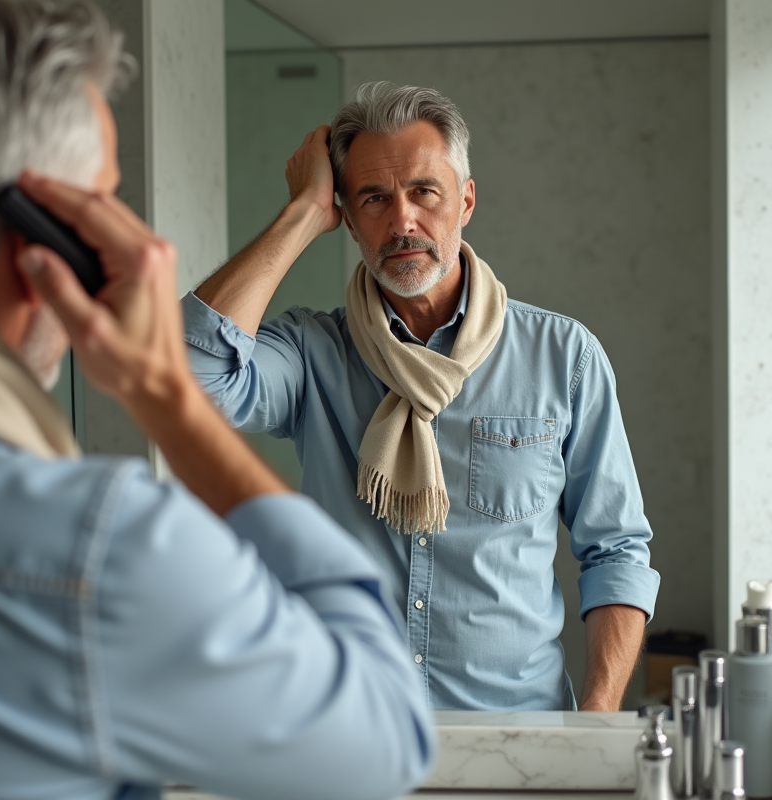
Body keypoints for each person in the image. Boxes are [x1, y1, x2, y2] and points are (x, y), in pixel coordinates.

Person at [0, 4, 434, 800]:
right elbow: (383, 740)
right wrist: (166, 392)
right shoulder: (92, 551)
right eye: (105, 199)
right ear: (47, 238)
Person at [185, 81, 661, 711]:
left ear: (465, 201)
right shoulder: (309, 352)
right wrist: (300, 214)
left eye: (424, 192)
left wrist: (594, 726)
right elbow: (189, 373)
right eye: (374, 198)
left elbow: (616, 550)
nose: (402, 220)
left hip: (518, 742)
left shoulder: (563, 357)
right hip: (350, 730)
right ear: (347, 217)